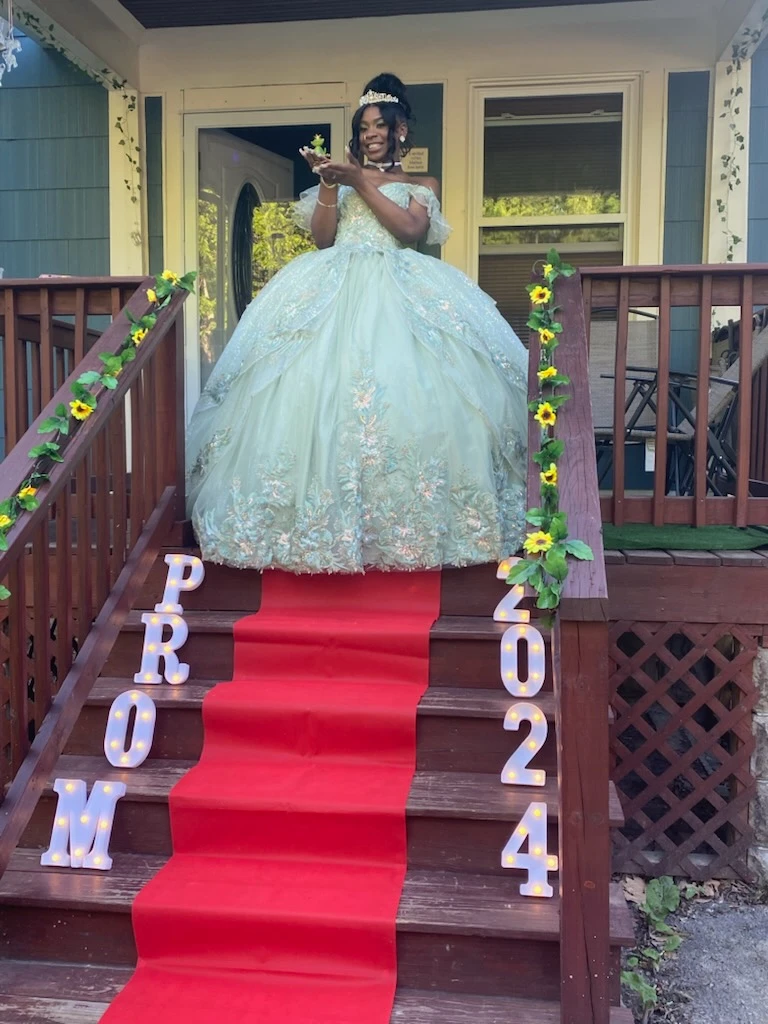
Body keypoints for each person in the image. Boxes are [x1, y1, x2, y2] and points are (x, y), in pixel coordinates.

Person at [186, 73, 529, 573]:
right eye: (364, 126)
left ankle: (407, 530)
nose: (371, 133)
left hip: (399, 286)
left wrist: (358, 181)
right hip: (331, 286)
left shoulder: (420, 185)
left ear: (400, 130)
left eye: (380, 125)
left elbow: (410, 231)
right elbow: (324, 238)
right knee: (317, 399)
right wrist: (329, 184)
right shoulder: (343, 181)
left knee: (405, 399)